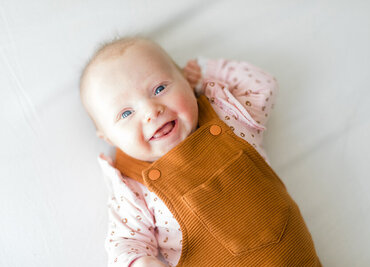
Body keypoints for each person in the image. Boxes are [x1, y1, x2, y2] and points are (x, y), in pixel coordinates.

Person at [80, 36, 321, 267]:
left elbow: (262, 86)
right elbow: (125, 242)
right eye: (126, 113)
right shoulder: (132, 186)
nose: (151, 111)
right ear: (108, 137)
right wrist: (139, 262)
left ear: (186, 81)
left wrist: (207, 71)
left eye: (159, 88)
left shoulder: (228, 115)